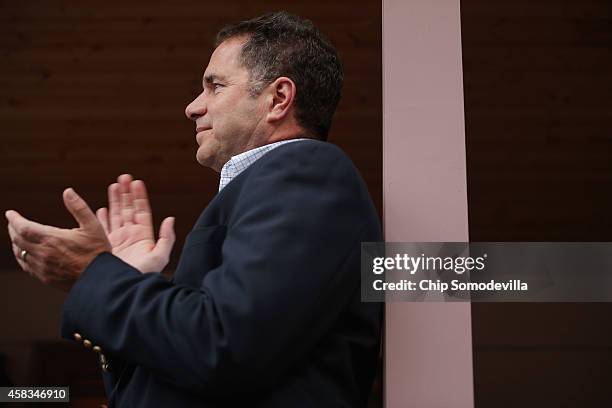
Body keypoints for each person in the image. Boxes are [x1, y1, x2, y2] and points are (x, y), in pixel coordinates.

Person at [6, 11, 382, 407]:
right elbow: (183, 369)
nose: (192, 107)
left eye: (215, 87)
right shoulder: (284, 187)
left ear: (278, 99)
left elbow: (223, 346)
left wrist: (96, 276)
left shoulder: (306, 171)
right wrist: (134, 280)